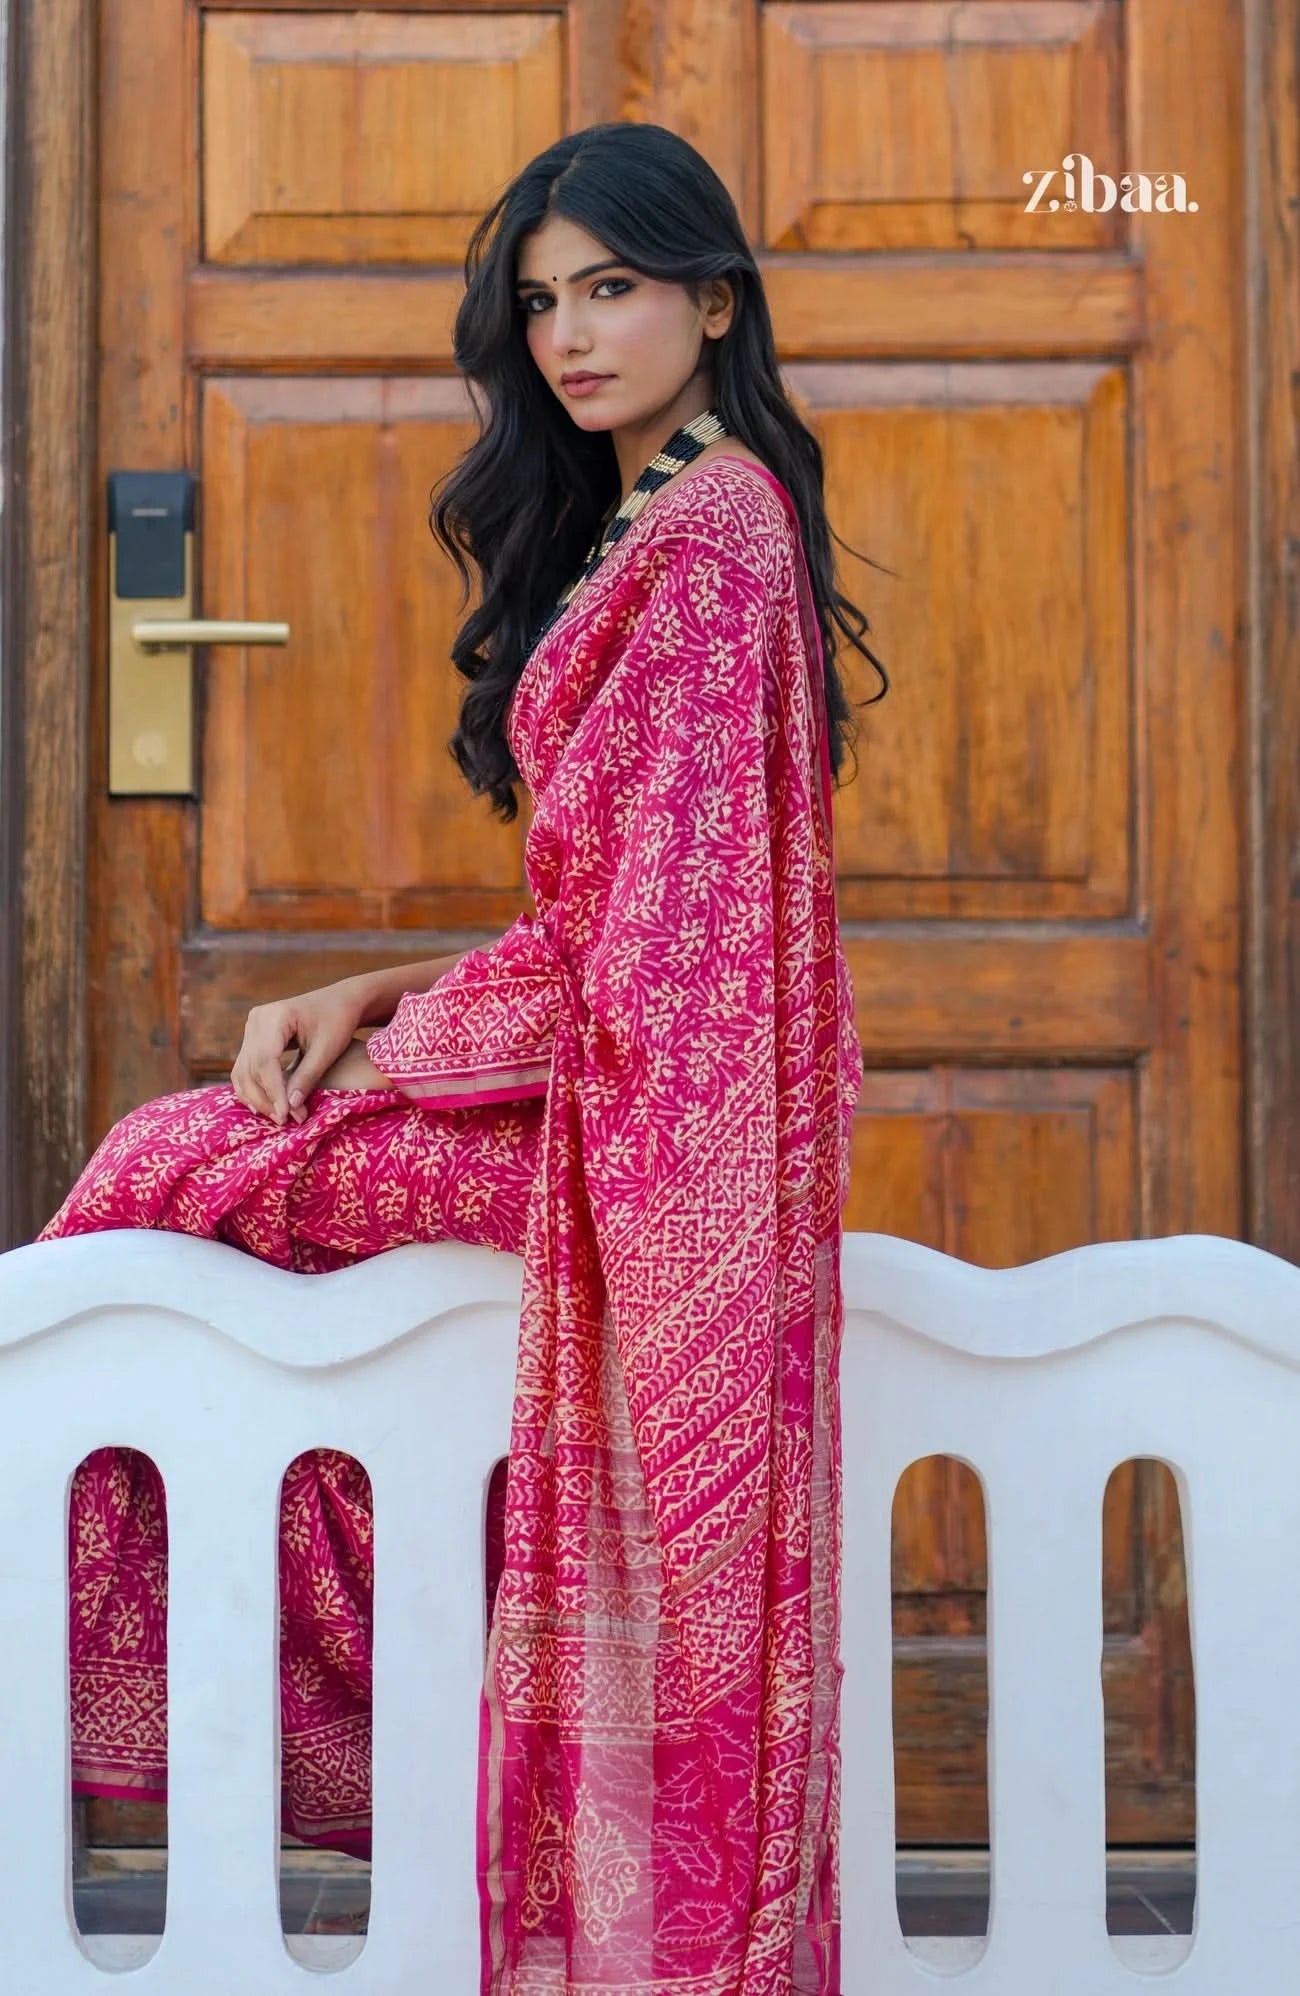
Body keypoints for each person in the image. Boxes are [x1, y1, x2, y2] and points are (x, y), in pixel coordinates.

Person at [41, 120, 883, 1996]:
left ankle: (356, 1722)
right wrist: (375, 1002)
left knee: (164, 1188)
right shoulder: (674, 512)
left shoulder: (712, 533)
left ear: (710, 301)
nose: (571, 336)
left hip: (652, 1154)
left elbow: (658, 963)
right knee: (170, 1189)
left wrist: (401, 1057)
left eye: (613, 289)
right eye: (541, 302)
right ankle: (401, 1711)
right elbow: (615, 918)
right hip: (636, 1107)